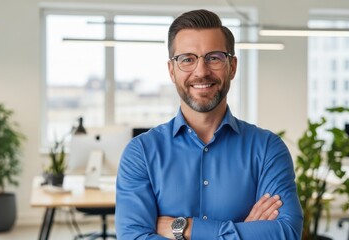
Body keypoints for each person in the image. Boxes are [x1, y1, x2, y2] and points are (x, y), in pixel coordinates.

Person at [115, 9, 303, 240]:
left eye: (214, 57)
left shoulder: (267, 149)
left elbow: (285, 233)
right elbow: (133, 237)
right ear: (172, 71)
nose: (201, 71)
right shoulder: (141, 153)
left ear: (232, 67)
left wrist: (184, 228)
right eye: (187, 59)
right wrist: (244, 232)